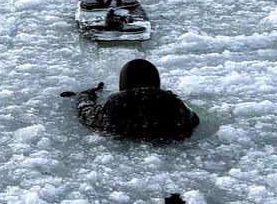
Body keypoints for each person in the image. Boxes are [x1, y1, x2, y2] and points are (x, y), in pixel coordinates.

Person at [70, 58, 199, 142]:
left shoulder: (117, 102)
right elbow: (193, 120)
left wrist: (88, 94)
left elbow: (87, 114)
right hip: (168, 141)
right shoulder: (172, 102)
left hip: (124, 139)